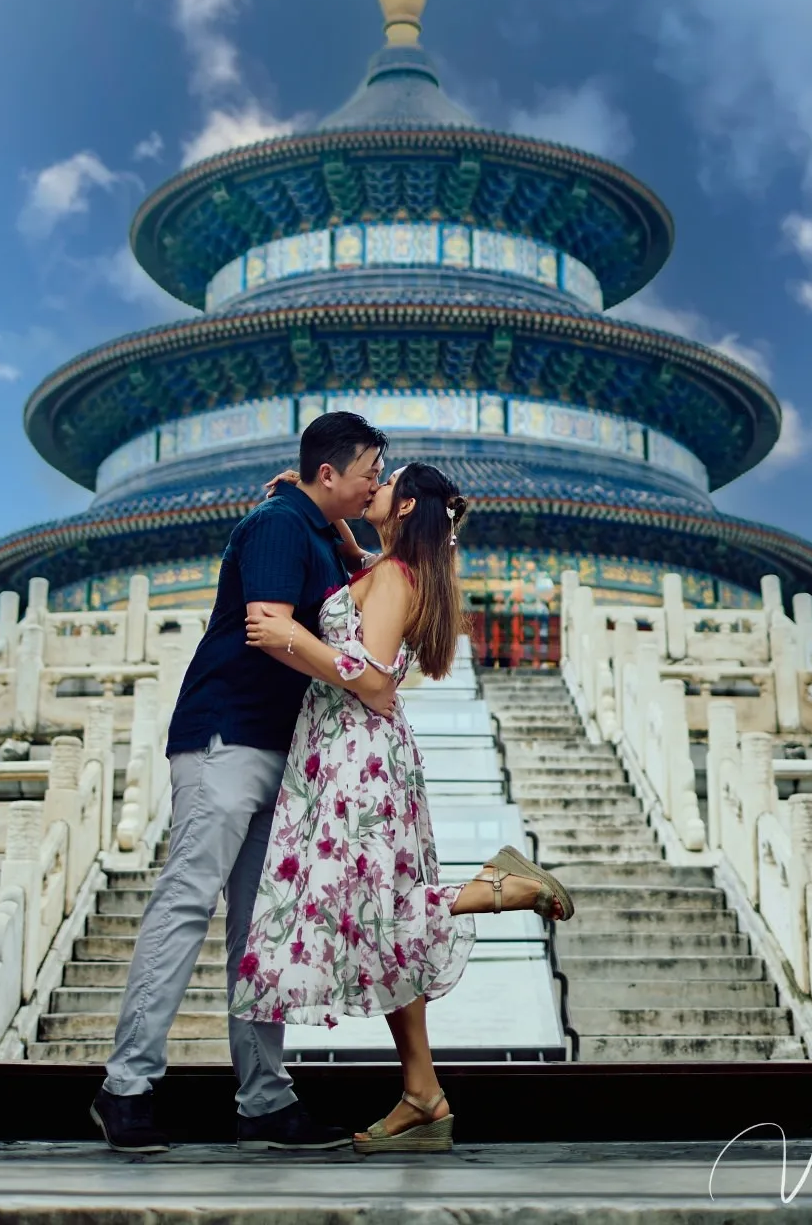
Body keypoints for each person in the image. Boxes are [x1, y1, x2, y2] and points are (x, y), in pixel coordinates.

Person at [232, 461, 574, 1154]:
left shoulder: (393, 579)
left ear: (405, 502)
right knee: (381, 923)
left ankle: (506, 889)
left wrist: (290, 639)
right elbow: (361, 580)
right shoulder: (392, 569)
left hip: (355, 754)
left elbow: (371, 675)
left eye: (383, 484)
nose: (372, 488)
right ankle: (421, 1092)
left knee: (373, 910)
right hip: (354, 752)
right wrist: (316, 504)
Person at [90, 410, 389, 1154]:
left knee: (262, 932)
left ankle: (263, 1099)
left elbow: (379, 583)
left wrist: (353, 540)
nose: (373, 485)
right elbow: (266, 623)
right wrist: (362, 684)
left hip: (281, 750)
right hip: (227, 738)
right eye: (368, 473)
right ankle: (125, 1086)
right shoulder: (278, 527)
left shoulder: (317, 533)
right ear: (329, 473)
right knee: (186, 902)